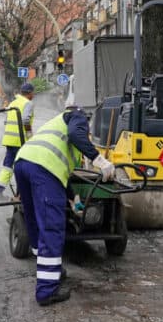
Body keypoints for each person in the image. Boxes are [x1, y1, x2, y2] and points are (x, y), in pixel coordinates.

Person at [13, 105, 115, 306]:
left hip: (23, 163)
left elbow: (61, 173)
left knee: (34, 222)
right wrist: (100, 161)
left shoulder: (54, 128)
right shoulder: (76, 116)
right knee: (52, 227)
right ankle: (47, 290)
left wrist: (74, 199)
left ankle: (50, 270)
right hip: (42, 169)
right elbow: (75, 137)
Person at [0, 83, 36, 200]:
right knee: (23, 168)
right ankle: (21, 195)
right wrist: (30, 136)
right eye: (33, 93)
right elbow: (25, 120)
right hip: (20, 141)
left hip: (9, 140)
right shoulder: (28, 103)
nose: (33, 95)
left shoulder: (13, 103)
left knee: (8, 167)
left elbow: (6, 121)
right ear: (30, 93)